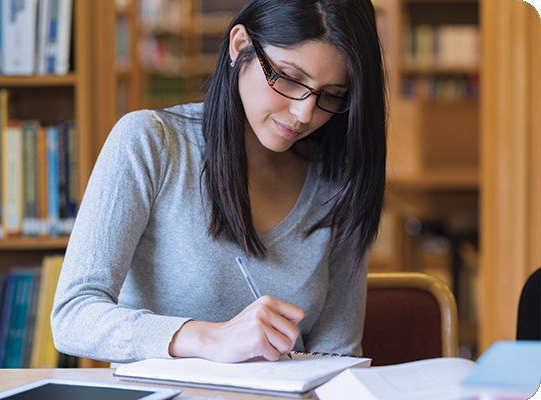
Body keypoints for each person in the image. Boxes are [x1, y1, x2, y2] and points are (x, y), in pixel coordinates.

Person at [51, 0, 387, 364]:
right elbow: (73, 316)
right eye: (289, 78)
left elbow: (337, 355)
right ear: (240, 45)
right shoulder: (151, 143)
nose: (304, 113)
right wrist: (207, 338)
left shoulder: (339, 180)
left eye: (333, 94)